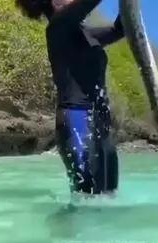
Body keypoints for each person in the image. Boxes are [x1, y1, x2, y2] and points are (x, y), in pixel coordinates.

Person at [15, 0, 124, 197]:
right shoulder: (58, 26)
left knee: (109, 196)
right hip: (77, 121)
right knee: (86, 199)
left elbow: (120, 29)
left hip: (102, 125)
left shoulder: (87, 33)